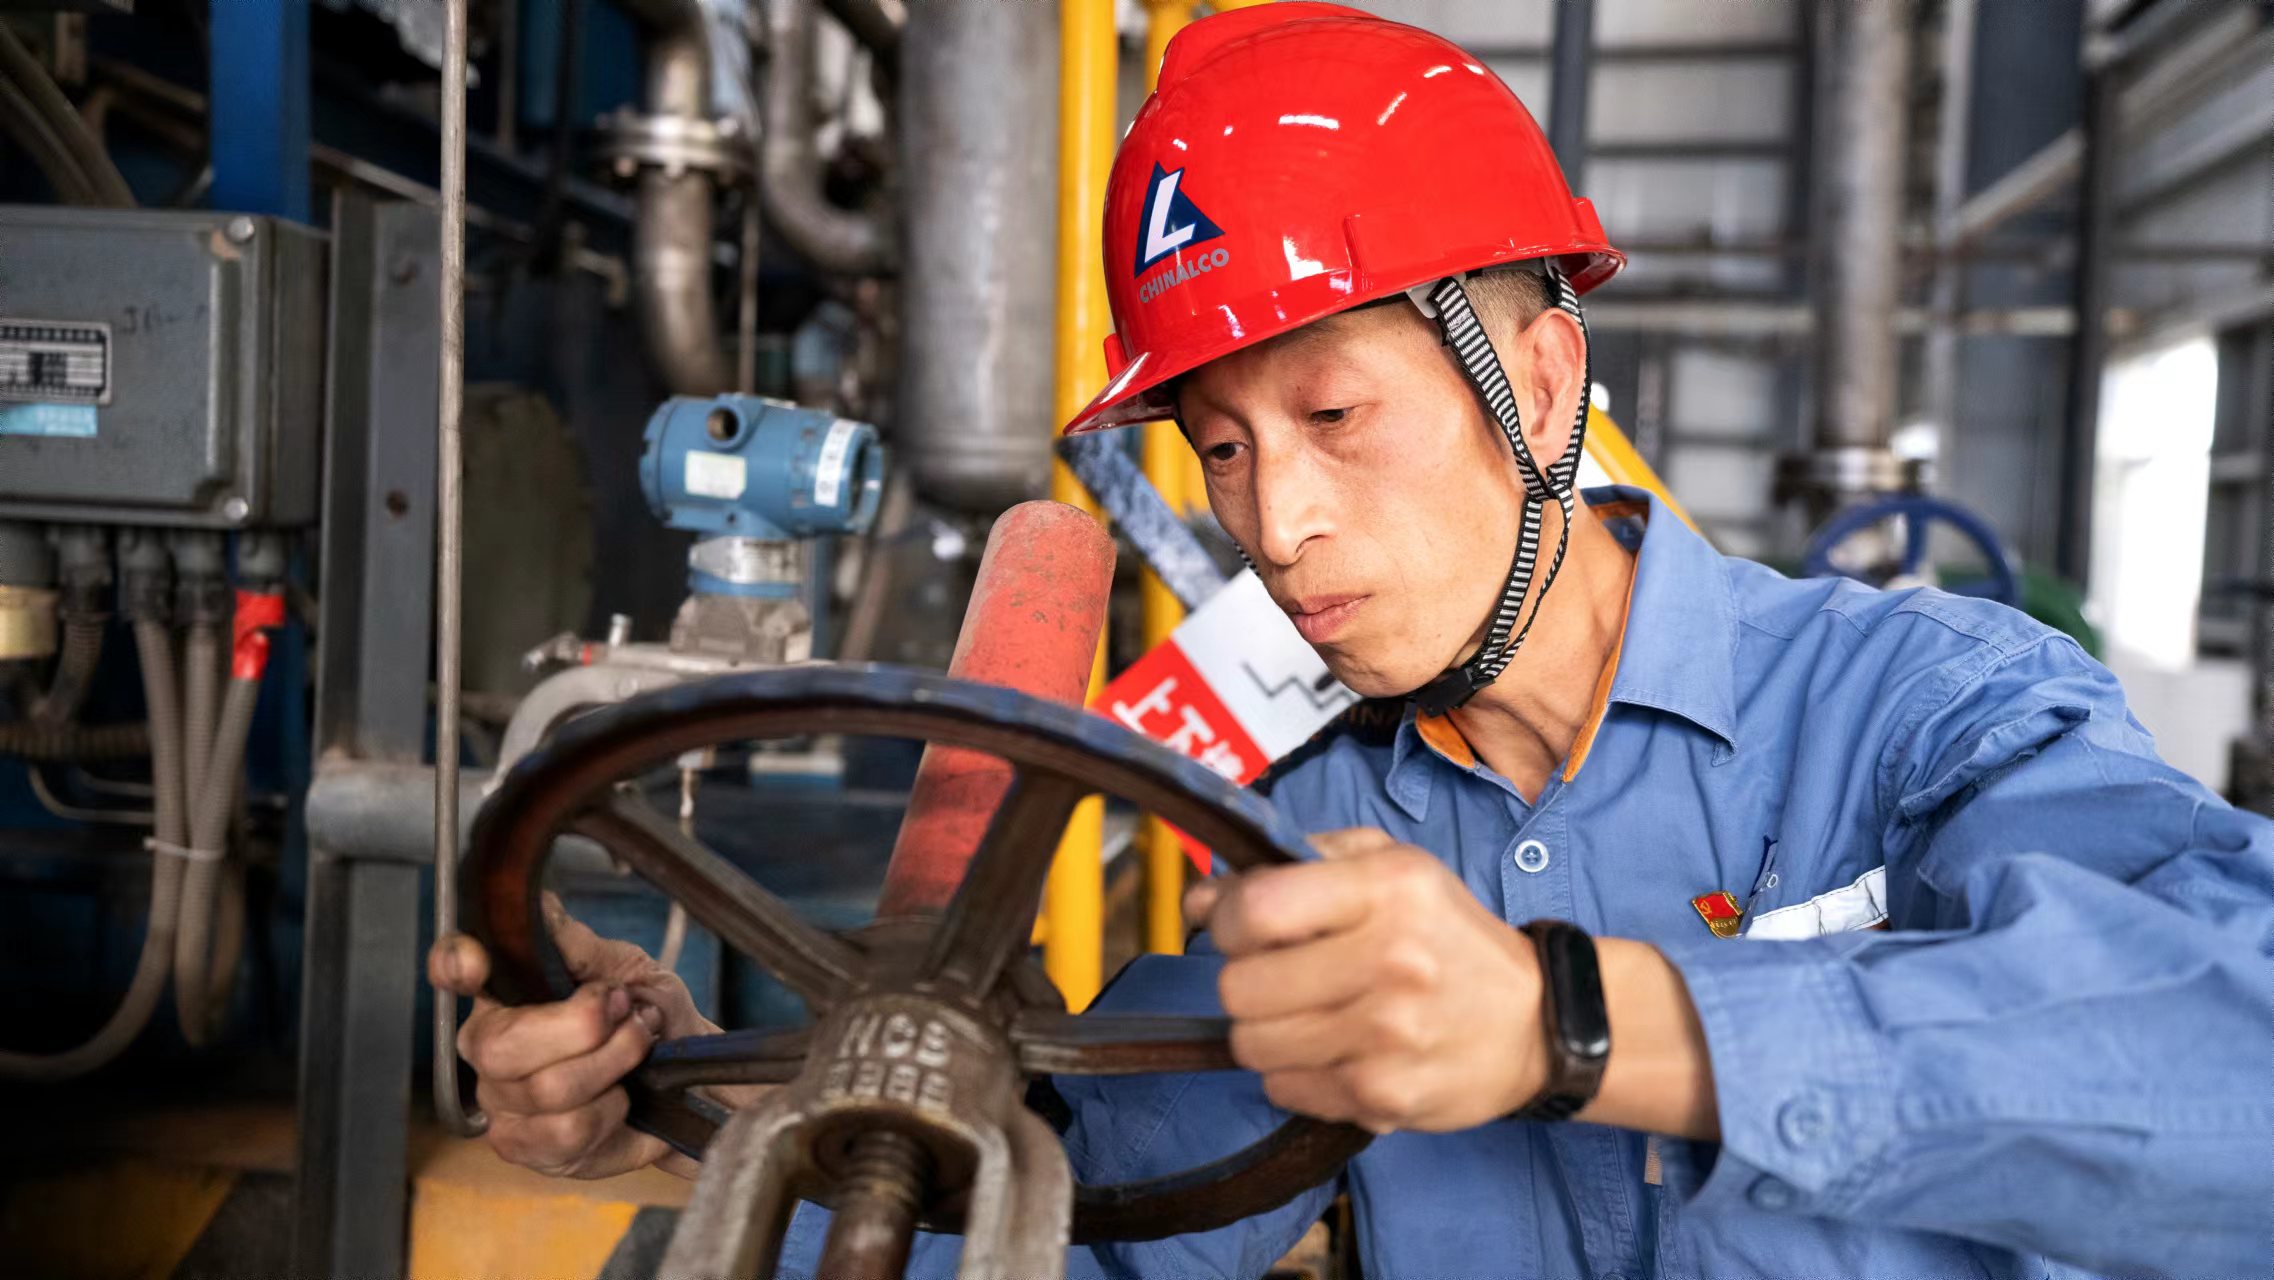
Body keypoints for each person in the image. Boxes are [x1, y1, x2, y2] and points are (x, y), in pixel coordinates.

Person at [430, 5, 2274, 1276]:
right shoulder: (1304, 851)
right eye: (1219, 445)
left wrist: (1572, 1022)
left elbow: (2229, 1083)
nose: (1271, 521)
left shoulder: (1918, 709)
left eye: (1333, 417)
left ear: (1537, 381)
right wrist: (695, 1105)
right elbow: (1074, 1222)